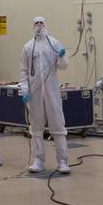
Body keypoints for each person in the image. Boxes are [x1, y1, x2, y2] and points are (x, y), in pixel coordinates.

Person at [19, 16, 69, 174]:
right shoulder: (28, 47)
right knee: (36, 127)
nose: (39, 26)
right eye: (36, 23)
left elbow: (63, 66)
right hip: (34, 93)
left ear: (45, 25)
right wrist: (25, 90)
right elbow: (24, 71)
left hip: (51, 90)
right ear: (32, 26)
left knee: (58, 124)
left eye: (41, 23)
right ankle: (38, 160)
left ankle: (62, 161)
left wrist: (61, 55)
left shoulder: (53, 43)